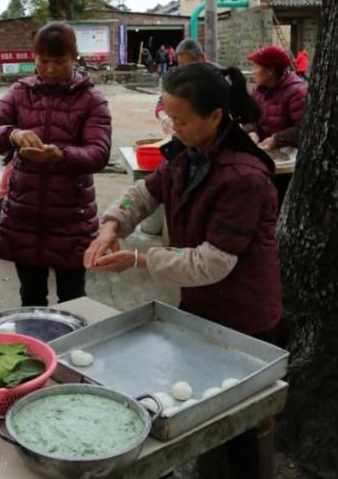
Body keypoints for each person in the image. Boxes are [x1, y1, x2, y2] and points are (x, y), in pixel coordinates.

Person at [84, 62, 282, 479]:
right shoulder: (187, 153)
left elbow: (212, 262)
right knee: (201, 403)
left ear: (214, 117)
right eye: (168, 117)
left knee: (238, 423)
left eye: (181, 120)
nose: (173, 128)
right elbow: (146, 191)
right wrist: (112, 225)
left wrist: (139, 260)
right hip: (201, 302)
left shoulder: (244, 177)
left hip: (243, 316)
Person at [0, 21, 111, 307]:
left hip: (71, 218)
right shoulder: (20, 92)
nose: (50, 69)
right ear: (34, 57)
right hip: (24, 215)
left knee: (72, 299)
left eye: (59, 62)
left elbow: (99, 153)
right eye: (43, 61)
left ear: (74, 58)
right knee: (31, 298)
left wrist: (60, 155)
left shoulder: (92, 100)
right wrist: (13, 134)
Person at [244, 45, 308, 152]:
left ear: (270, 71)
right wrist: (251, 132)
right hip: (262, 150)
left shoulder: (296, 91)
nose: (253, 71)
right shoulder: (258, 89)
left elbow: (303, 128)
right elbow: (248, 116)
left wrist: (276, 140)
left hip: (287, 154)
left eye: (256, 67)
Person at [155, 38, 212, 135]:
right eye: (181, 65)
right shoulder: (179, 76)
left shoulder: (216, 77)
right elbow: (161, 103)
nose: (185, 71)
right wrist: (164, 117)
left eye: (189, 66)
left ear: (202, 58)